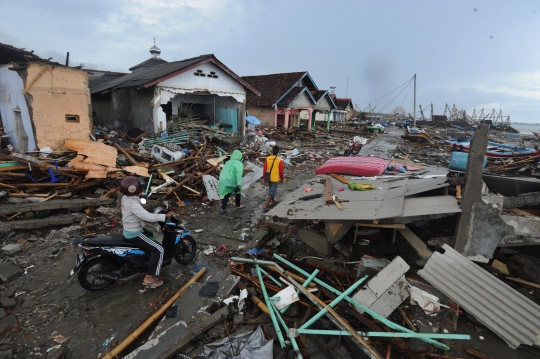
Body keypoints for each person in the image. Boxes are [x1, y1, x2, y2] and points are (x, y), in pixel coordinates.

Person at [120, 176, 175, 288]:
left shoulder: (125, 198)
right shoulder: (133, 203)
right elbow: (147, 216)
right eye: (140, 187)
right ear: (133, 189)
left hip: (129, 227)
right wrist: (164, 216)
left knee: (149, 233)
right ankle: (149, 277)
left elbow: (138, 213)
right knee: (160, 249)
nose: (142, 188)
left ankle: (148, 260)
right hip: (134, 233)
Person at [217, 149, 245, 214]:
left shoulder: (228, 162)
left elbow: (223, 171)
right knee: (238, 192)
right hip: (232, 180)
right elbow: (239, 174)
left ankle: (222, 209)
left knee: (227, 194)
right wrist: (239, 184)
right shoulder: (239, 163)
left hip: (224, 179)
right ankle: (238, 205)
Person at [262, 145, 284, 213]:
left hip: (268, 177)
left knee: (271, 189)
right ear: (278, 152)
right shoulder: (279, 160)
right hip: (274, 177)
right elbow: (281, 171)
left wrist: (264, 178)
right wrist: (282, 178)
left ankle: (273, 201)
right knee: (272, 191)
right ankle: (266, 205)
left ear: (272, 151)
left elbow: (264, 169)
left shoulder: (268, 158)